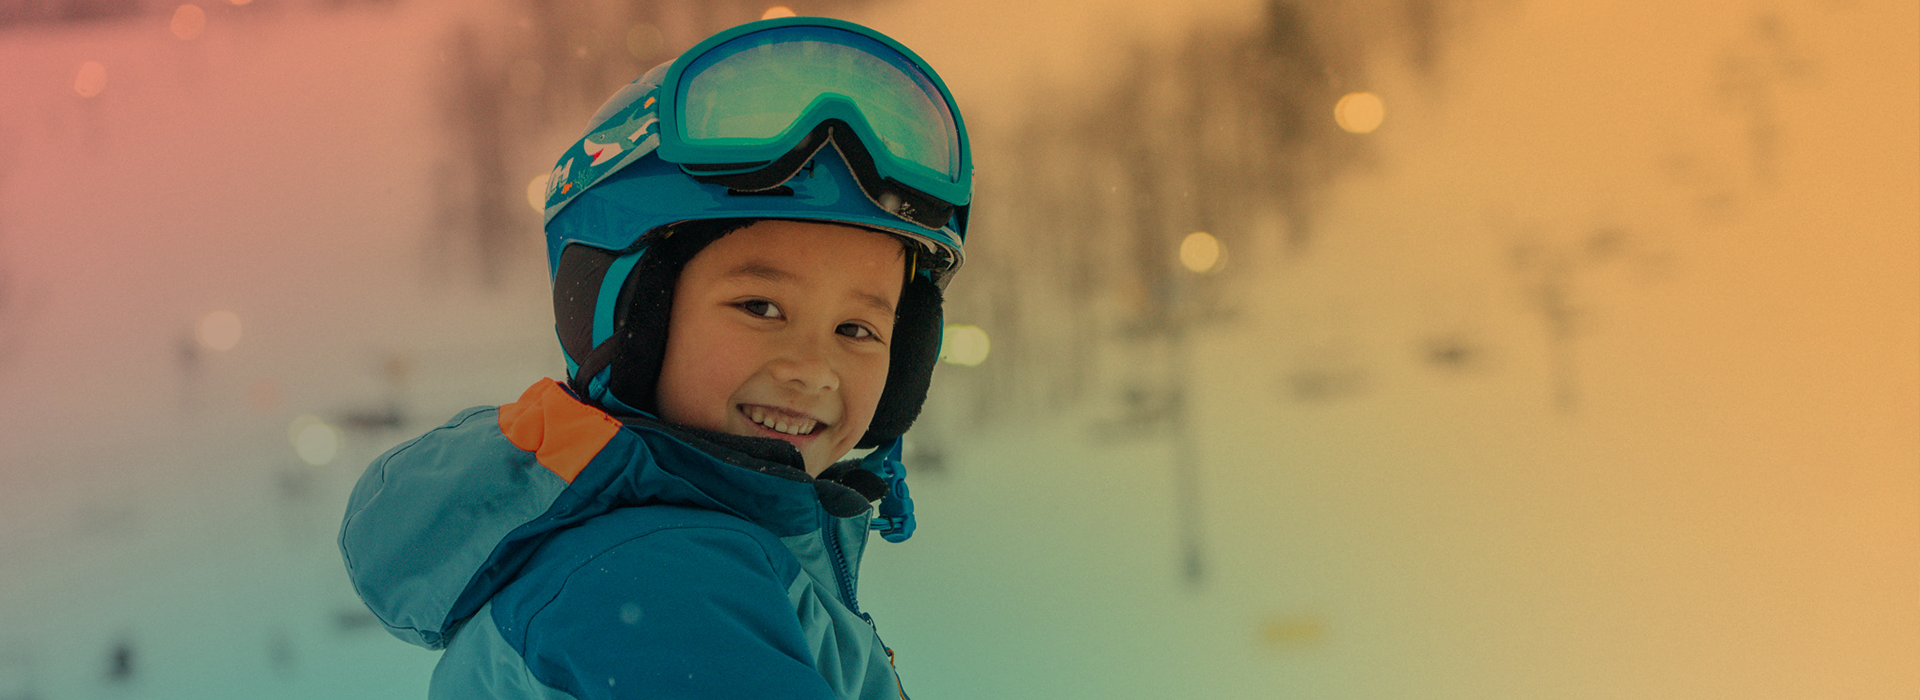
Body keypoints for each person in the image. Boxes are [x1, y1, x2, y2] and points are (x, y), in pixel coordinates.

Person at [338, 16, 974, 699]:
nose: (813, 368)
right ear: (631, 316)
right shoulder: (658, 582)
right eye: (761, 308)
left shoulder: (704, 557)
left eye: (857, 329)